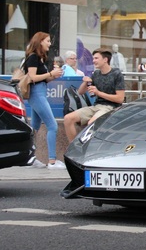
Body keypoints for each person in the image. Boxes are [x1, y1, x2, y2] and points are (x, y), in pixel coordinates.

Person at [64, 48, 125, 142]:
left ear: (105, 60)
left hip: (111, 107)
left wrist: (98, 93)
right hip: (96, 107)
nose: (93, 61)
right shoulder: (96, 74)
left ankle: (88, 151)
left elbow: (120, 99)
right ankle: (73, 149)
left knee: (91, 123)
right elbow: (80, 92)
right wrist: (85, 83)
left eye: (96, 58)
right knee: (68, 118)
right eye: (93, 58)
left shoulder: (116, 74)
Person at [24, 32, 64, 169]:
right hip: (37, 94)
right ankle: (52, 161)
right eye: (47, 40)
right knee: (52, 126)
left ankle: (30, 158)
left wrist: (53, 75)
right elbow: (33, 77)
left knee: (34, 126)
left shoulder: (39, 58)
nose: (50, 43)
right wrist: (51, 74)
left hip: (40, 92)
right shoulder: (33, 58)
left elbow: (44, 78)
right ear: (40, 41)